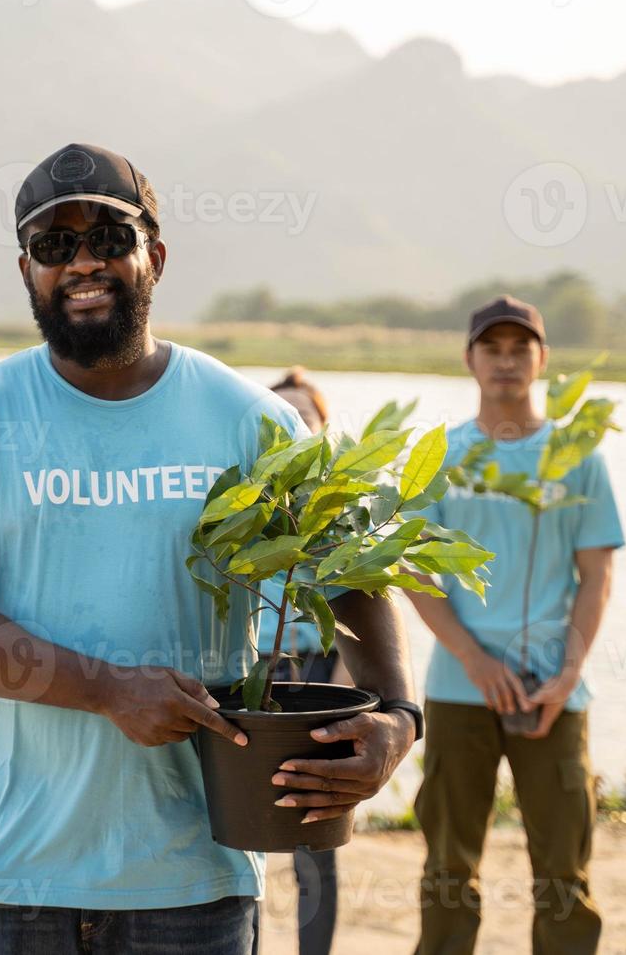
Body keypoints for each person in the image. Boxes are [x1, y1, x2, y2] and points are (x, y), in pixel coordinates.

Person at [0, 143, 421, 955]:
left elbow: (354, 571)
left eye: (108, 237)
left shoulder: (252, 420)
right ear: (25, 271)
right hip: (11, 879)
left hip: (194, 880)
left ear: (155, 257)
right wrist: (105, 689)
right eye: (53, 246)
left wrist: (399, 718)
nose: (83, 263)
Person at [403, 297, 624, 955]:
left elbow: (596, 577)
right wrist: (474, 658)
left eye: (519, 347)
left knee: (563, 872)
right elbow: (416, 572)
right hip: (459, 689)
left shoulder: (576, 457)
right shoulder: (442, 454)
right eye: (492, 347)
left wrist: (568, 674)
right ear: (470, 359)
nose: (506, 360)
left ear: (542, 360)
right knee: (448, 869)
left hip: (553, 695)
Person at [262, 367, 351, 955]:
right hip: (254, 677)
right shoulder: (239, 506)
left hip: (319, 677)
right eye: (280, 416)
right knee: (234, 834)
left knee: (314, 841)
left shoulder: (340, 513)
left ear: (323, 428)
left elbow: (362, 613)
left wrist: (348, 696)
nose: (294, 428)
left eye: (304, 417)